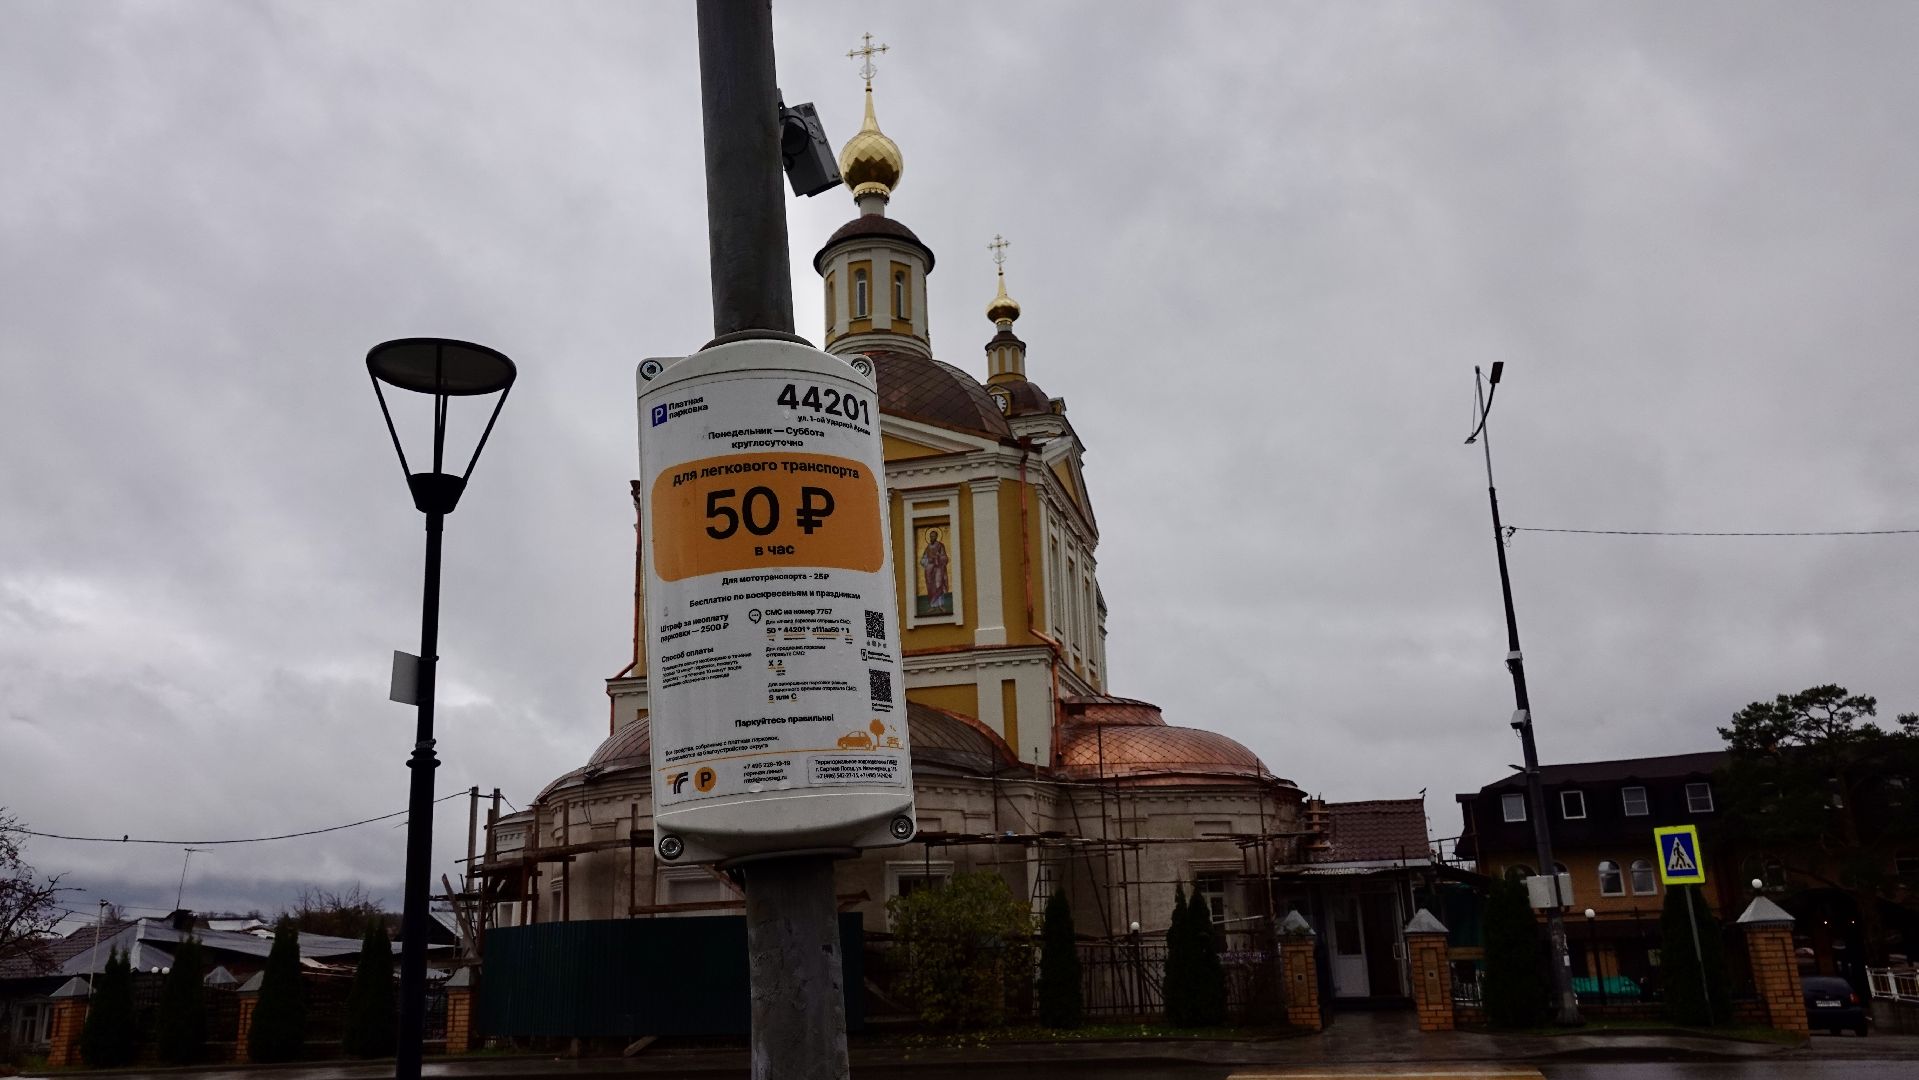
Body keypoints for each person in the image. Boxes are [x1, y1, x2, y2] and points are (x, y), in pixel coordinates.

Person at [919, 529, 950, 614]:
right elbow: (923, 559)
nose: (931, 537)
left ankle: (940, 605)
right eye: (930, 536)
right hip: (930, 570)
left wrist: (938, 557)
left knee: (938, 585)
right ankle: (932, 606)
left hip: (938, 569)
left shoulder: (940, 545)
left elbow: (945, 558)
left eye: (933, 536)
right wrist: (927, 560)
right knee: (931, 587)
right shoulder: (928, 547)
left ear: (936, 537)